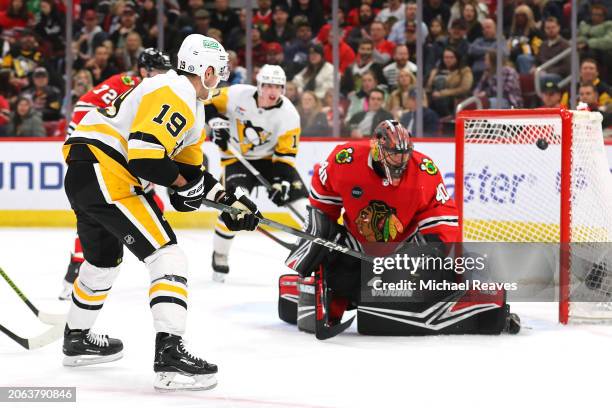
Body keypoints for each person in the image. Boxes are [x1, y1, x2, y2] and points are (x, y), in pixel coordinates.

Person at [61, 34, 261, 391]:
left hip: (87, 171)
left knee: (103, 262)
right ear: (207, 69)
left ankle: (76, 340)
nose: (223, 78)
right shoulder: (174, 91)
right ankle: (170, 359)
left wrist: (231, 202)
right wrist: (188, 185)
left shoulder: (191, 107)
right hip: (107, 171)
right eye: (220, 71)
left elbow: (187, 186)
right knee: (167, 257)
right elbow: (145, 157)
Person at [283, 120, 520, 336]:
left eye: (405, 155)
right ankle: (334, 298)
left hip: (404, 248)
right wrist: (317, 244)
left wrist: (439, 255)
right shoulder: (345, 159)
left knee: (450, 263)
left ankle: (474, 299)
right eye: (394, 155)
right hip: (357, 245)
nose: (401, 161)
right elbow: (322, 209)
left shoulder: (424, 170)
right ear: (376, 148)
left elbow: (442, 216)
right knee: (328, 251)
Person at [58, 48, 173, 301]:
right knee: (99, 217)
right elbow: (84, 105)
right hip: (98, 157)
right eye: (159, 72)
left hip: (123, 161)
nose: (165, 76)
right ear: (144, 71)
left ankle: (157, 271)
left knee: (154, 205)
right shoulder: (126, 83)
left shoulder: (156, 92)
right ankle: (76, 269)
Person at [204, 64, 309, 282]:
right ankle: (220, 254)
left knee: (303, 208)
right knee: (233, 207)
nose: (272, 92)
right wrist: (214, 123)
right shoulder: (236, 94)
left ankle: (316, 254)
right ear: (259, 85)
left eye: (278, 87)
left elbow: (285, 156)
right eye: (268, 85)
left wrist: (282, 183)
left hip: (271, 161)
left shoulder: (289, 114)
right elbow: (205, 100)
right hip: (236, 159)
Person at [427, 47, 473, 117]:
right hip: (434, 97)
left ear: (457, 58)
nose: (448, 60)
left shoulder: (465, 70)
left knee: (441, 99)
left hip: (453, 99)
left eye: (451, 57)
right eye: (445, 57)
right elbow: (429, 86)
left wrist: (443, 93)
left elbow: (465, 88)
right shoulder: (436, 70)